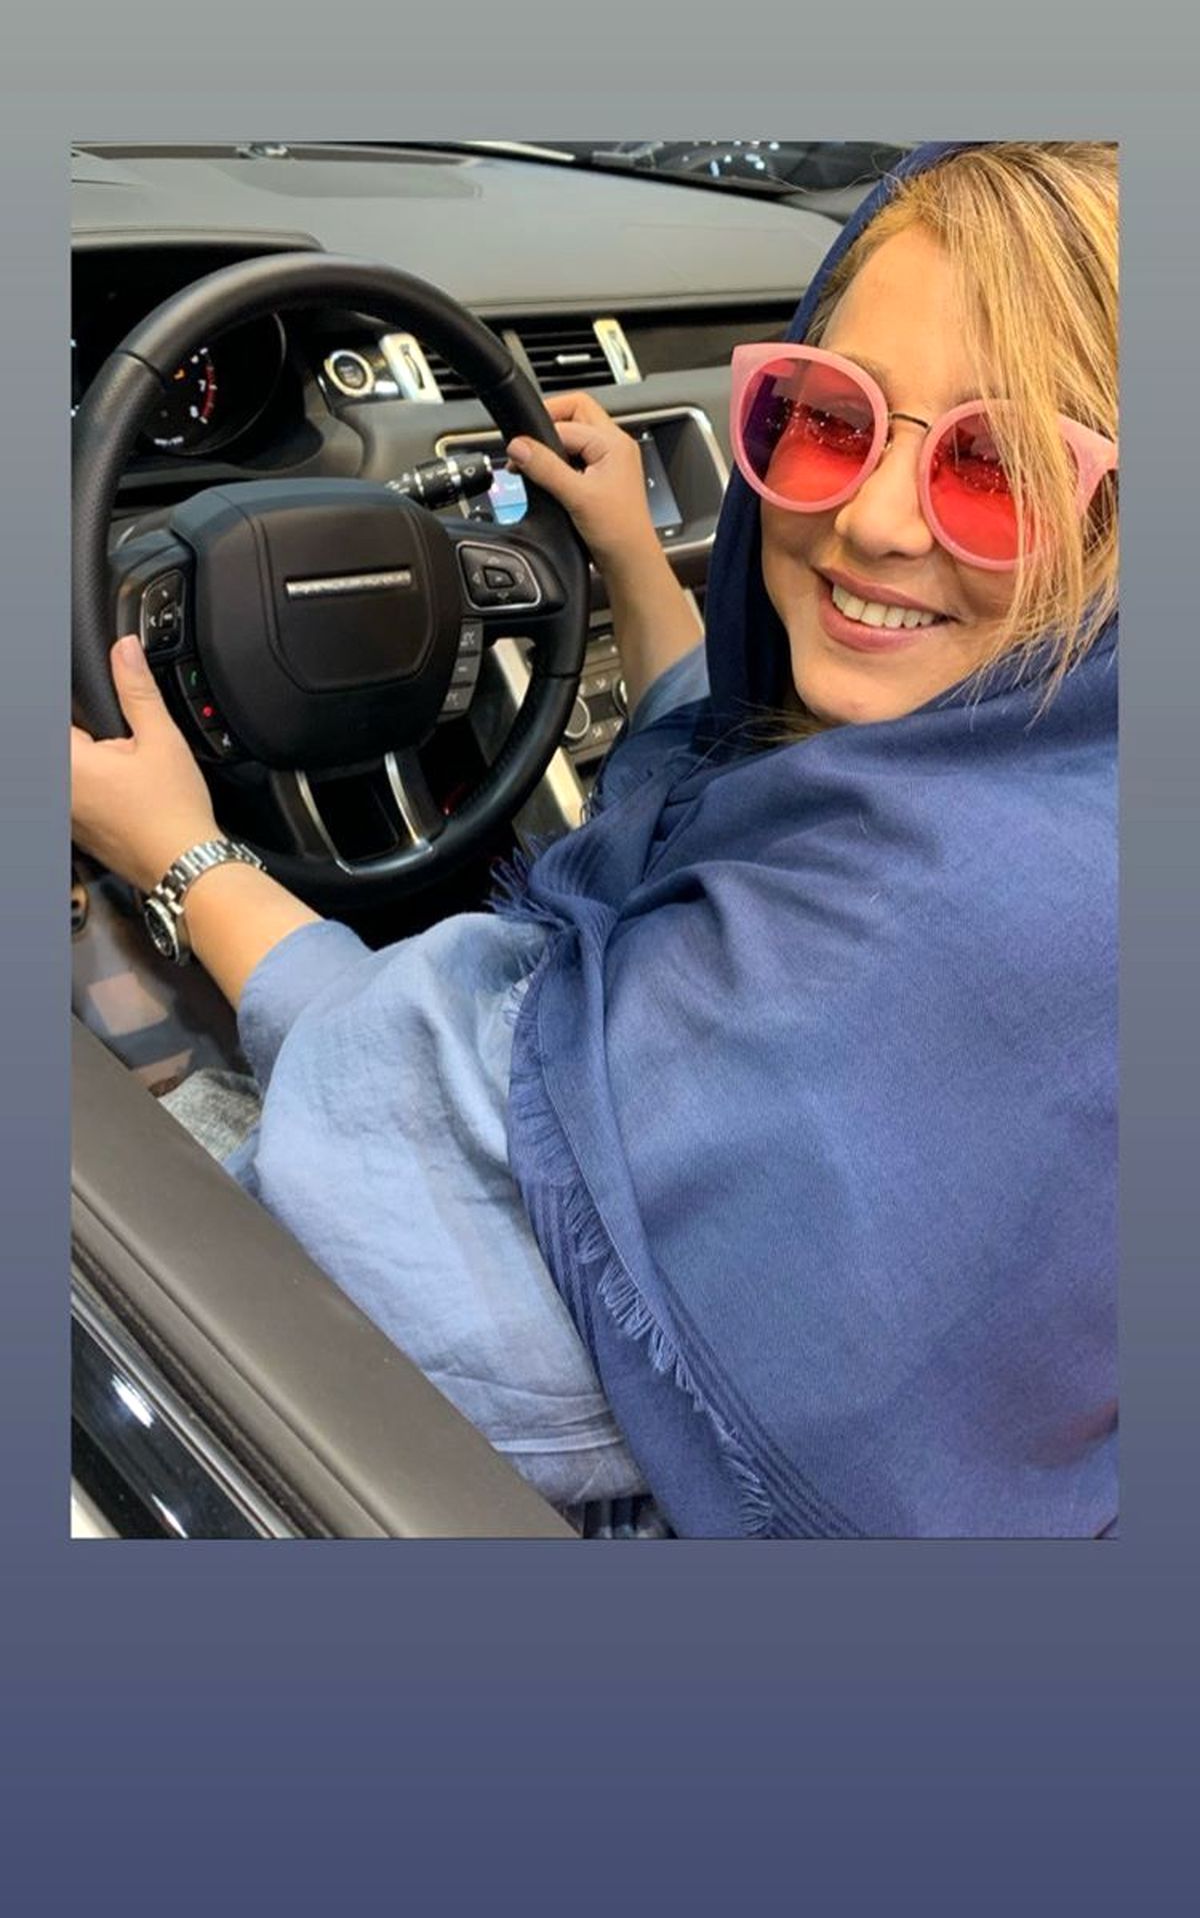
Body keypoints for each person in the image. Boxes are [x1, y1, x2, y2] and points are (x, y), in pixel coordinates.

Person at [70, 141, 1119, 1537]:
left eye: (998, 465)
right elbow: (720, 736)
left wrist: (179, 855)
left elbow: (422, 1195)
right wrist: (630, 549)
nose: (870, 519)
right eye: (827, 417)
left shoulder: (911, 939)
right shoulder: (1060, 781)